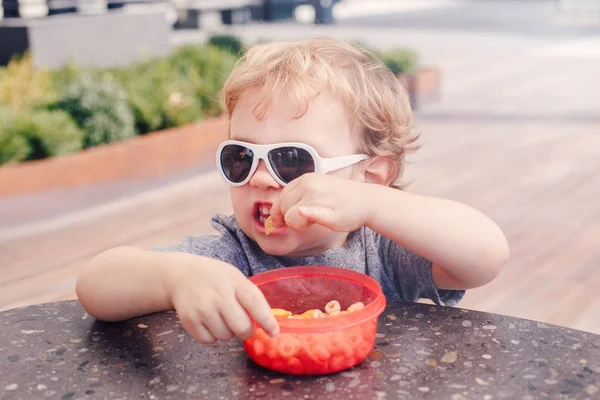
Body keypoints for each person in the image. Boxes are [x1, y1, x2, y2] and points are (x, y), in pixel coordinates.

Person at [76, 37, 509, 345]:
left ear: (370, 175)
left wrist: (374, 206)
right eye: (241, 157)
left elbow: (486, 255)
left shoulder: (385, 252)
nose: (261, 178)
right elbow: (96, 285)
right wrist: (175, 278)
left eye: (292, 160)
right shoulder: (233, 256)